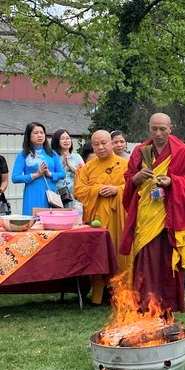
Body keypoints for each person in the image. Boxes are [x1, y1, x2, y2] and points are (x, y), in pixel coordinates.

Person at [120, 113, 185, 314]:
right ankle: (143, 305)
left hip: (170, 218)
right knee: (145, 260)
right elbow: (129, 179)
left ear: (170, 129)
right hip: (146, 216)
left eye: (162, 129)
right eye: (154, 129)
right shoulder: (140, 151)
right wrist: (137, 177)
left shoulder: (180, 151)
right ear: (149, 128)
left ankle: (166, 305)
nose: (158, 133)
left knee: (166, 261)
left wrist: (173, 182)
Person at [73, 130, 130, 305]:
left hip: (118, 218)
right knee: (98, 255)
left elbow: (135, 188)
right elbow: (78, 191)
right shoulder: (88, 167)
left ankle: (122, 293)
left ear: (111, 143)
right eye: (96, 144)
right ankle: (98, 295)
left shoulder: (125, 164)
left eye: (104, 143)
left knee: (119, 253)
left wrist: (116, 190)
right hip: (96, 219)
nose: (100, 147)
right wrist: (97, 189)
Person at [11, 122, 66, 214]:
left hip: (50, 193)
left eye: (42, 132)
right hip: (33, 193)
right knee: (33, 219)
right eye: (35, 133)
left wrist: (50, 174)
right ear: (29, 136)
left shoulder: (52, 154)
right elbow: (15, 178)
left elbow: (62, 174)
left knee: (50, 219)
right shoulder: (23, 155)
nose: (40, 135)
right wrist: (36, 175)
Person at [52, 129, 85, 207]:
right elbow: (51, 175)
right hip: (58, 195)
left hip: (74, 194)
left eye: (68, 138)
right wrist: (63, 165)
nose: (66, 141)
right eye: (62, 139)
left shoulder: (77, 157)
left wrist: (70, 166)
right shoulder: (53, 158)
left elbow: (84, 175)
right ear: (57, 141)